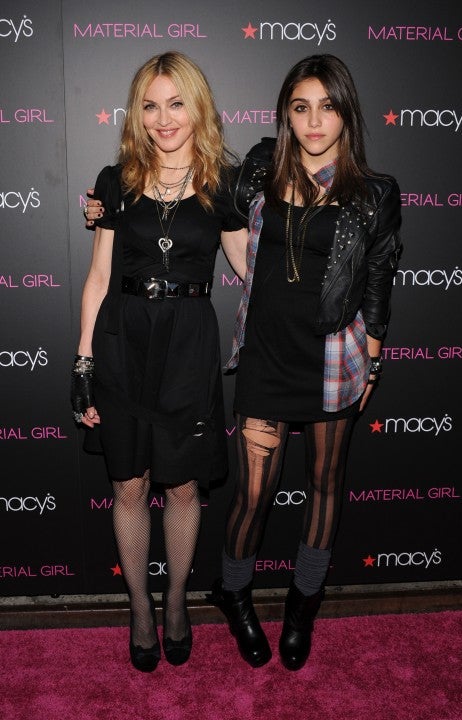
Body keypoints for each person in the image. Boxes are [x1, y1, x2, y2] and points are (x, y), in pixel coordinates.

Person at [212, 53, 402, 671]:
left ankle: (302, 607)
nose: (315, 121)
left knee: (324, 487)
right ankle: (234, 593)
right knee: (252, 497)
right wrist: (108, 200)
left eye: (328, 107)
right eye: (301, 108)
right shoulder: (260, 167)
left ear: (347, 114)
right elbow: (219, 210)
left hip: (332, 360)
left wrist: (372, 361)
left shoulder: (374, 193)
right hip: (266, 358)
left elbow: (378, 278)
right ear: (286, 116)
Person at [72, 51, 247, 672]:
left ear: (199, 109)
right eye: (150, 105)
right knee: (129, 483)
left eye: (176, 104)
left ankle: (176, 601)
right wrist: (83, 363)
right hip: (123, 342)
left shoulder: (225, 185)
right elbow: (98, 277)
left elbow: (250, 271)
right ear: (136, 113)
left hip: (189, 348)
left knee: (183, 486)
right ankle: (139, 607)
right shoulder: (115, 181)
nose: (163, 118)